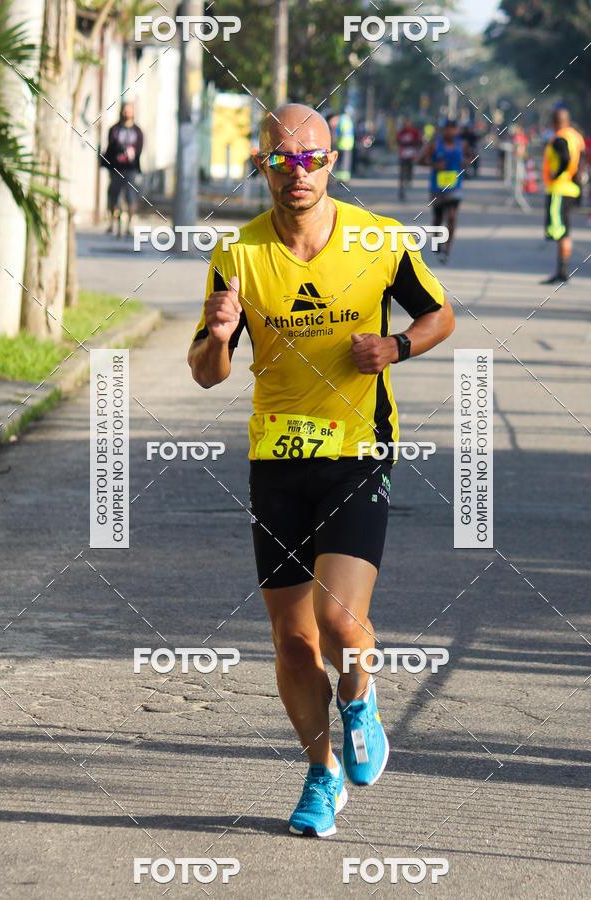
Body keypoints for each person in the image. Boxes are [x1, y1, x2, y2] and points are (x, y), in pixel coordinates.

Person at [188, 103, 454, 838]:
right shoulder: (238, 255)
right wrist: (216, 337)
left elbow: (440, 315)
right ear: (262, 163)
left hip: (357, 452)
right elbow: (208, 373)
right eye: (281, 158)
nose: (296, 171)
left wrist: (397, 349)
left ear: (331, 161)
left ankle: (361, 698)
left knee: (338, 622)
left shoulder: (378, 238)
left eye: (311, 158)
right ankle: (320, 772)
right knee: (293, 642)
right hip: (276, 460)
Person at [541, 106, 585, 283]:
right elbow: (581, 161)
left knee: (561, 232)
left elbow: (566, 159)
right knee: (564, 231)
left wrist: (556, 174)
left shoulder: (560, 138)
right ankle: (561, 270)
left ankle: (562, 271)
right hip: (572, 188)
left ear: (553, 122)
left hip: (559, 189)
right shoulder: (576, 136)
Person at [418, 119, 471, 264]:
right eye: (447, 129)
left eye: (453, 129)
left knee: (452, 216)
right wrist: (434, 164)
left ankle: (447, 249)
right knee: (438, 218)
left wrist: (466, 162)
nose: (450, 132)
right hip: (437, 188)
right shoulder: (435, 144)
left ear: (457, 131)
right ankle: (437, 239)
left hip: (455, 188)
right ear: (443, 130)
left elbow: (470, 157)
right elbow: (421, 160)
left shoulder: (462, 144)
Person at [102, 103, 143, 236]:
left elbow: (139, 149)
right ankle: (112, 223)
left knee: (131, 196)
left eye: (129, 111)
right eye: (125, 111)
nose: (127, 114)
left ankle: (129, 225)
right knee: (113, 195)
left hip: (131, 168)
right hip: (116, 168)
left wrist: (131, 155)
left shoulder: (137, 131)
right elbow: (110, 147)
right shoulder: (114, 129)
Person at [396, 116, 421, 200]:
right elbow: (397, 140)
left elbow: (418, 142)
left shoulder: (414, 132)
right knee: (401, 174)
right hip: (403, 155)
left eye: (408, 123)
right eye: (405, 123)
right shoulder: (401, 132)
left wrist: (412, 144)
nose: (407, 125)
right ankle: (401, 191)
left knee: (410, 169)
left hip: (411, 155)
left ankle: (409, 179)